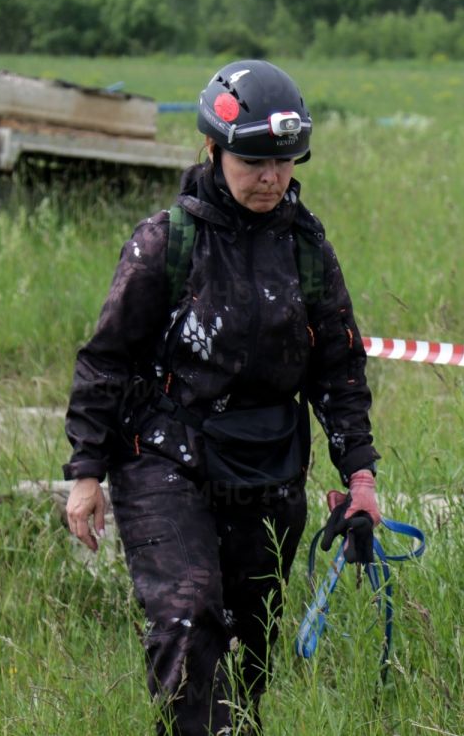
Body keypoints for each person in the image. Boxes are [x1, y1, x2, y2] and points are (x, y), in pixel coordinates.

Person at [63, 59, 382, 735]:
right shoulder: (165, 243)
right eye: (254, 162)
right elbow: (106, 359)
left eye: (285, 162)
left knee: (249, 642)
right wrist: (86, 473)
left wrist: (359, 474)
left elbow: (340, 366)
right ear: (214, 150)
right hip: (164, 457)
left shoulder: (307, 249)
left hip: (269, 464)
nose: (271, 178)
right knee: (189, 613)